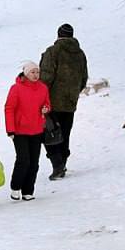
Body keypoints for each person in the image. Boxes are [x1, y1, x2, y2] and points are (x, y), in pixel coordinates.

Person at [39, 23, 89, 180]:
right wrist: (73, 93)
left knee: (49, 133)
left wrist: (40, 97)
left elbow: (46, 77)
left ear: (58, 35)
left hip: (52, 101)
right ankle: (63, 163)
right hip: (70, 102)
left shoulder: (53, 52)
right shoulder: (80, 54)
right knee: (65, 133)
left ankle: (57, 165)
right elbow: (84, 78)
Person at [4, 61, 51, 200]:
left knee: (34, 162)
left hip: (37, 129)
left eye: (37, 72)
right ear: (26, 73)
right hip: (20, 131)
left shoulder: (43, 88)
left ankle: (28, 190)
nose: (36, 75)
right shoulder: (16, 88)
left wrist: (46, 108)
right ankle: (15, 187)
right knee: (23, 160)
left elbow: (47, 103)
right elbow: (9, 109)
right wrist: (10, 129)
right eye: (32, 72)